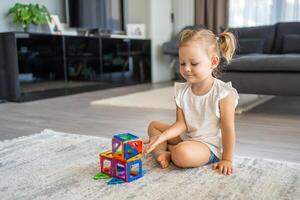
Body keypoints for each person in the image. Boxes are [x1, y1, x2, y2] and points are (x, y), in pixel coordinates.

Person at [144, 28, 239, 176]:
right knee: (154, 126)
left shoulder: (223, 93)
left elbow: (228, 129)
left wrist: (227, 159)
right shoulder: (182, 91)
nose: (186, 69)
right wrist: (163, 137)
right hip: (186, 138)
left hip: (207, 146)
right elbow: (181, 124)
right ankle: (162, 152)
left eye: (194, 63)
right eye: (182, 63)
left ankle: (171, 152)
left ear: (213, 62)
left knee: (181, 154)